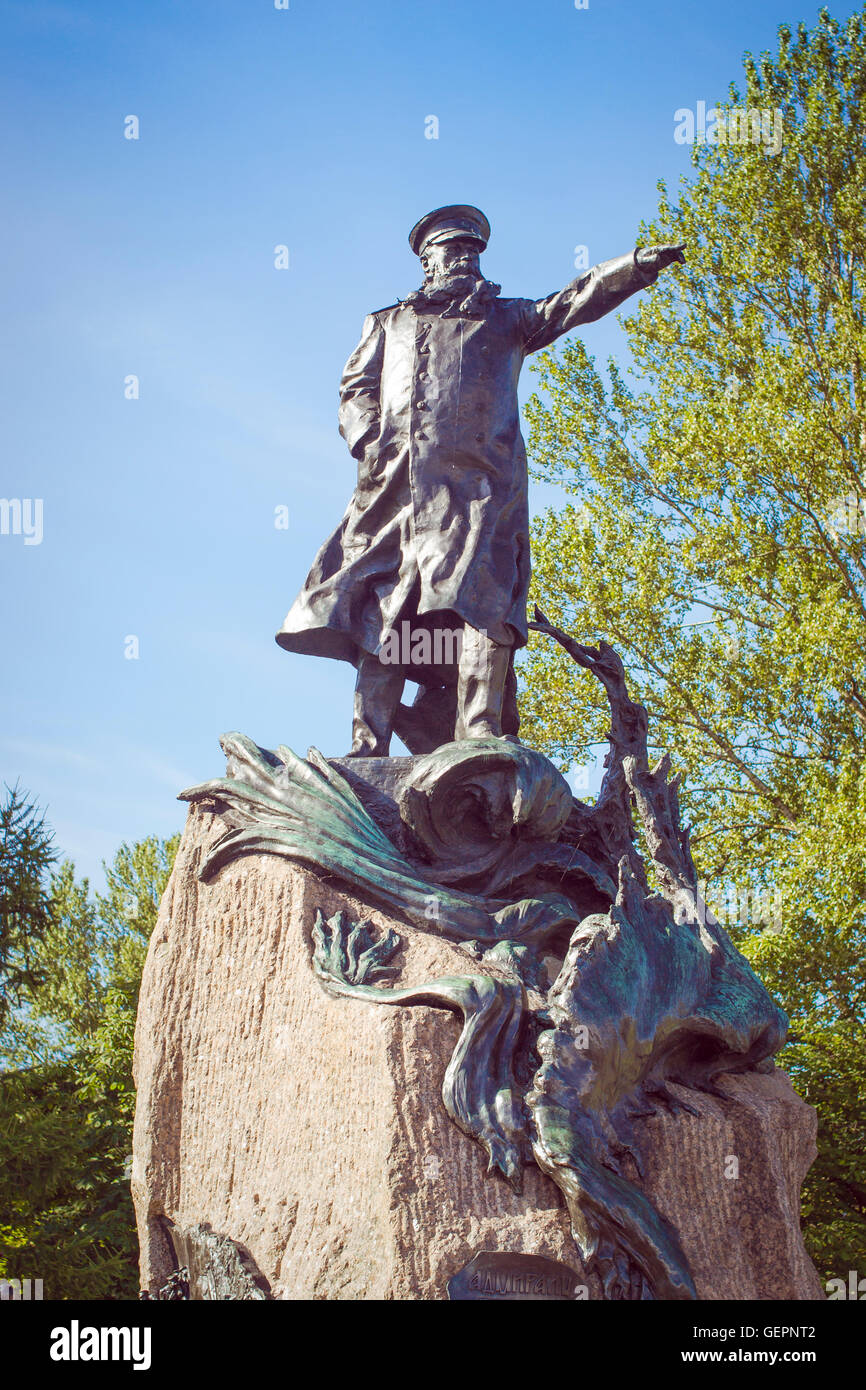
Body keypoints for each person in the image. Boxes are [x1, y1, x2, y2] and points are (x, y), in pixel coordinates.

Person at [276, 204, 684, 755]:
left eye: (473, 250)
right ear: (428, 260)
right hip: (394, 494)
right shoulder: (387, 322)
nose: (466, 257)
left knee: (483, 605)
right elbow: (355, 388)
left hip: (481, 495)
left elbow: (573, 302)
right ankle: (367, 745)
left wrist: (633, 267)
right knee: (388, 611)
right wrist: (368, 440)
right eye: (455, 249)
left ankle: (479, 731)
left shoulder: (508, 318)